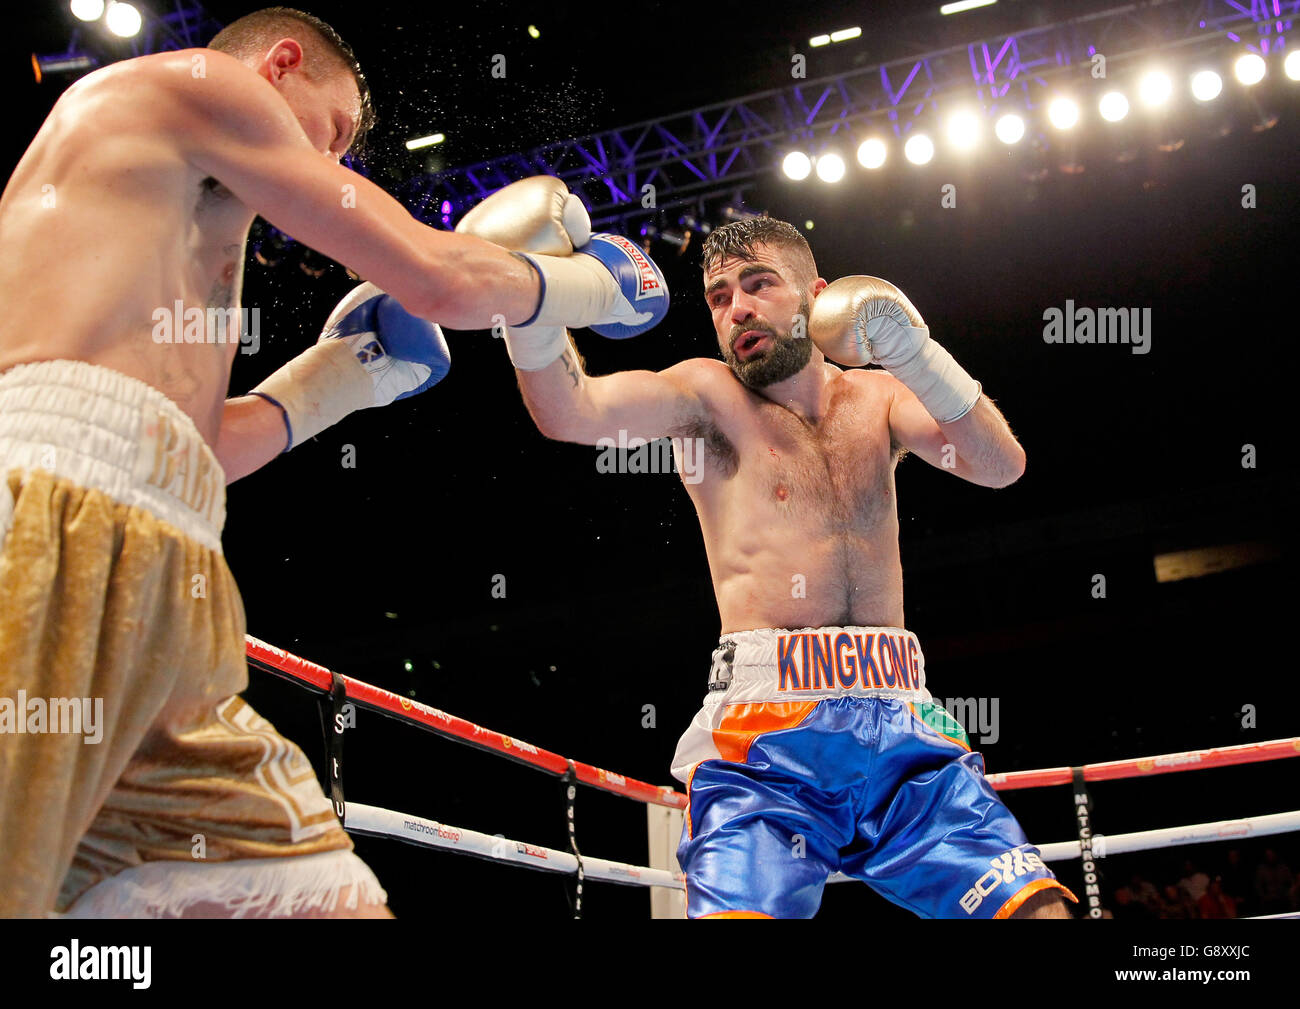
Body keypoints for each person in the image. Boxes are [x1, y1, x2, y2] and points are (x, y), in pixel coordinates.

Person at [0, 8, 664, 918]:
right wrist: (587, 286)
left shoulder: (171, 229)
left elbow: (188, 450)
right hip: (48, 520)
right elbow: (439, 277)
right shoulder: (204, 85)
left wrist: (341, 379)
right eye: (338, 128)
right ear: (280, 64)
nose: (335, 163)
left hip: (161, 575)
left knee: (323, 899)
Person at [459, 177, 1077, 918]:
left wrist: (918, 353)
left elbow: (999, 464)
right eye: (719, 296)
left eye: (757, 285)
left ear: (815, 294)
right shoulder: (708, 395)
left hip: (904, 729)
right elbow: (572, 412)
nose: (737, 308)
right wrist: (536, 305)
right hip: (763, 739)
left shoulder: (877, 397)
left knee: (1040, 913)